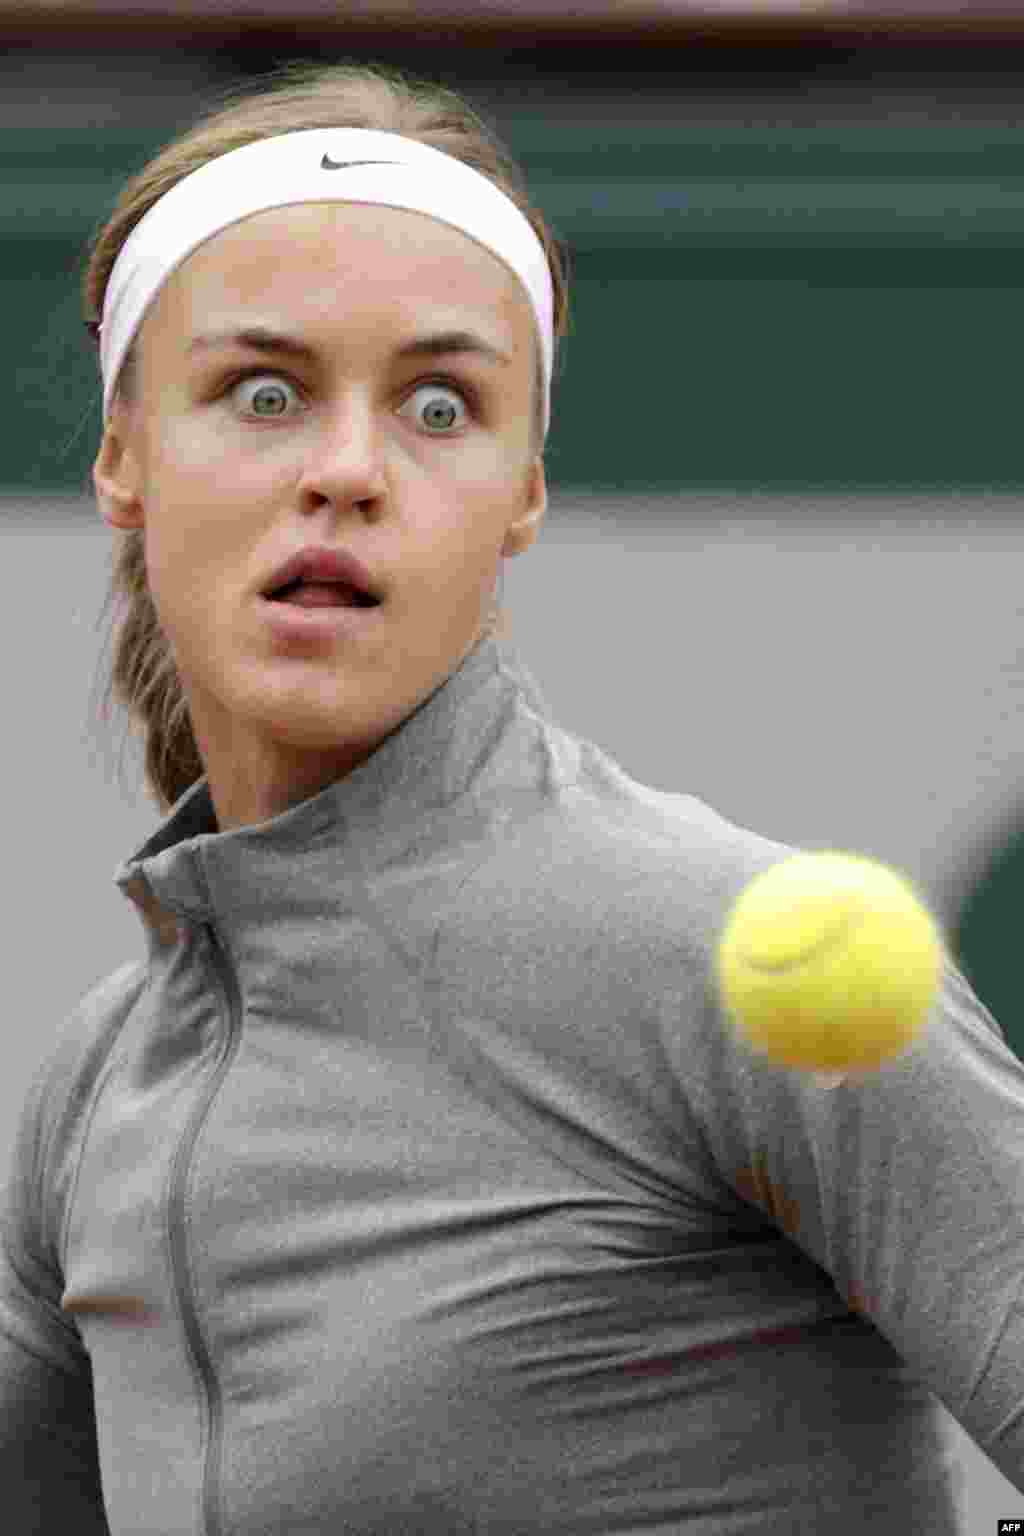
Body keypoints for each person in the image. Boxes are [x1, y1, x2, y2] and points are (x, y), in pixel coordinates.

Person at [1, 58, 1020, 1536]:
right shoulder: (93, 1094)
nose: (347, 470)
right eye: (265, 392)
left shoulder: (711, 958)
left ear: (522, 487)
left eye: (438, 405)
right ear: (124, 455)